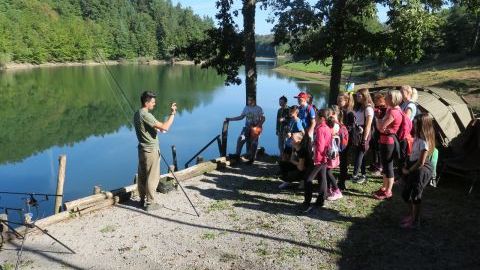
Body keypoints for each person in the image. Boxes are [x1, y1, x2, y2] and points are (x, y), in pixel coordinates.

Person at [134, 91, 177, 211]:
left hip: (142, 149)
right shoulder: (146, 115)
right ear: (146, 102)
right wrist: (172, 114)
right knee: (152, 177)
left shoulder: (137, 113)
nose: (154, 103)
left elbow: (148, 129)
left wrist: (157, 130)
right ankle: (150, 203)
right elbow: (165, 127)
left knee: (142, 176)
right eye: (152, 102)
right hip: (150, 150)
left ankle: (142, 200)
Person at [400, 114, 435, 228]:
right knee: (405, 194)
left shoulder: (424, 141)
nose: (413, 125)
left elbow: (421, 162)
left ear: (423, 126)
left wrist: (408, 171)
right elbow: (413, 153)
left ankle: (415, 221)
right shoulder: (417, 137)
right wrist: (406, 163)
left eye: (416, 124)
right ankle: (412, 215)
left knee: (416, 196)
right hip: (412, 166)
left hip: (421, 169)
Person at [373, 90, 403, 200]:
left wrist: (377, 118)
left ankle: (388, 191)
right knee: (385, 166)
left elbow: (380, 127)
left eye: (387, 97)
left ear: (392, 99)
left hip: (388, 141)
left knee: (388, 166)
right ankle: (384, 188)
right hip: (386, 139)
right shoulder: (395, 109)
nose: (385, 99)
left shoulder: (393, 112)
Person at [301, 109, 332, 213]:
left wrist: (316, 159)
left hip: (319, 158)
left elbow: (320, 146)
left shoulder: (319, 129)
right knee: (323, 178)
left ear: (322, 118)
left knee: (308, 179)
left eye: (317, 116)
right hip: (325, 157)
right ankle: (321, 200)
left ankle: (307, 202)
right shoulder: (327, 128)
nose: (315, 118)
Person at [226, 96, 265, 164]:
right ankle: (237, 155)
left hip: (255, 130)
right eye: (248, 100)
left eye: (250, 100)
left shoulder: (259, 108)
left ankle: (252, 159)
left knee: (254, 143)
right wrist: (230, 119)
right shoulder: (246, 108)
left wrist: (257, 126)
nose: (248, 101)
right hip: (247, 128)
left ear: (253, 101)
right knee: (241, 138)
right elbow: (241, 117)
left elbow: (263, 118)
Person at [352, 88, 374, 184]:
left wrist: (364, 139)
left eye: (359, 95)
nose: (357, 97)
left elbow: (368, 125)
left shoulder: (368, 108)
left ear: (365, 96)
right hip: (358, 132)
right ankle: (363, 173)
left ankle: (355, 175)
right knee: (361, 155)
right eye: (356, 95)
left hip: (364, 134)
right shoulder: (360, 107)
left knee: (359, 154)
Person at [337, 92, 355, 190]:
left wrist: (341, 127)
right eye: (337, 100)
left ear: (346, 101)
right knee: (341, 160)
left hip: (345, 141)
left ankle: (342, 182)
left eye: (340, 100)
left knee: (343, 160)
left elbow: (350, 127)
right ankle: (342, 177)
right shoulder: (339, 111)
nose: (338, 102)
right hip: (339, 139)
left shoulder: (349, 113)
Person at [326, 106, 343, 201]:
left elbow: (329, 134)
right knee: (327, 170)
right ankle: (329, 189)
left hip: (331, 152)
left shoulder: (334, 125)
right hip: (331, 151)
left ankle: (337, 191)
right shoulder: (333, 123)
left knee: (328, 171)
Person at [370, 93, 387, 176]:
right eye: (375, 101)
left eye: (377, 100)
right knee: (375, 148)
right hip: (376, 130)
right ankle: (375, 164)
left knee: (380, 149)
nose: (375, 102)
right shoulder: (376, 108)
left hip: (383, 130)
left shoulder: (386, 109)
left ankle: (381, 167)